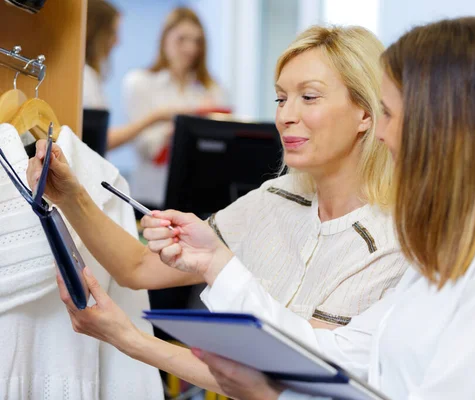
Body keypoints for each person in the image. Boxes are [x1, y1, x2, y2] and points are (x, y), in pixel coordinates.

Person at [53, 17, 475, 399]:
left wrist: (271, 396)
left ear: (445, 123)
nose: (381, 133)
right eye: (280, 98)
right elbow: (347, 357)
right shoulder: (458, 243)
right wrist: (215, 266)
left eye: (387, 113)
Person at [27, 24, 407, 389]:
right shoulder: (272, 200)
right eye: (280, 98)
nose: (285, 115)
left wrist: (125, 336)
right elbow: (139, 267)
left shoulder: (390, 241)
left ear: (366, 113)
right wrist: (72, 197)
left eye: (308, 97)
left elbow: (288, 379)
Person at [124, 7, 228, 208]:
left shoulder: (213, 90)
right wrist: (178, 131)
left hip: (198, 195)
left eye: (197, 41)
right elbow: (147, 149)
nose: (190, 49)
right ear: (165, 40)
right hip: (152, 195)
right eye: (181, 39)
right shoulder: (140, 82)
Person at [83, 0, 197, 150]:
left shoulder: (208, 87)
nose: (190, 49)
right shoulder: (85, 79)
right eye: (113, 32)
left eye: (196, 41)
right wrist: (156, 117)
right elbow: (97, 140)